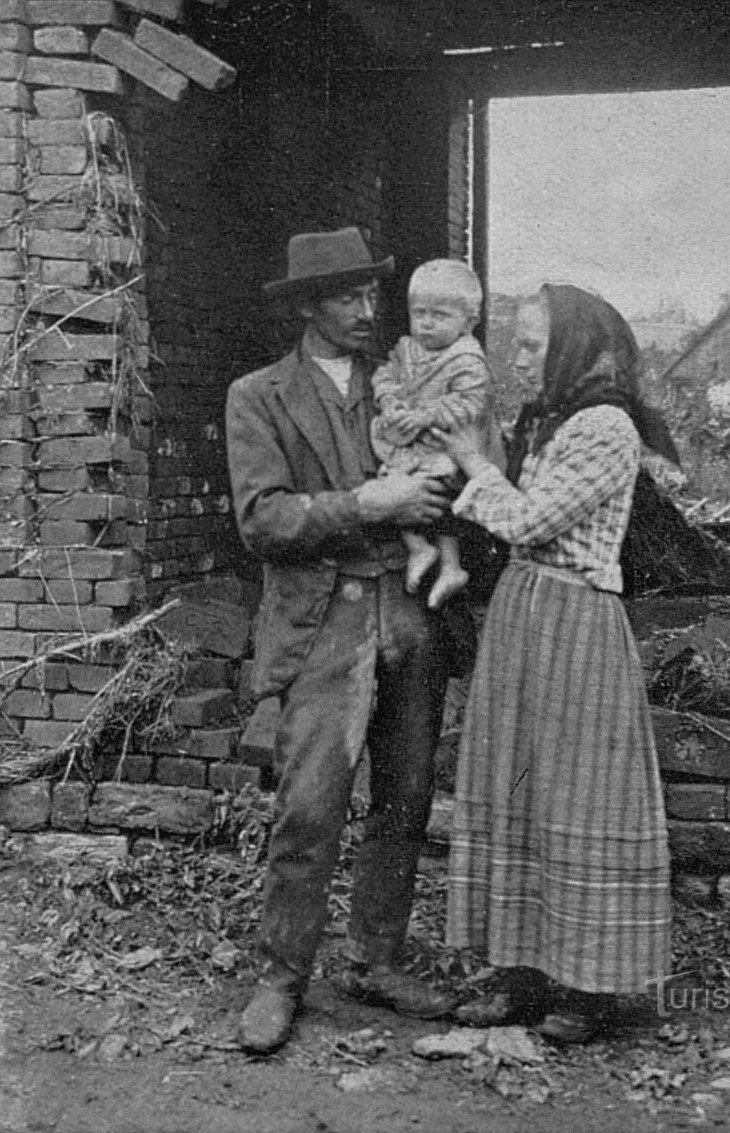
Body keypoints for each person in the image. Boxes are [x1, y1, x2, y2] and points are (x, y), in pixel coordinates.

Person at [225, 227, 456, 1055]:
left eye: (372, 294)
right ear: (306, 306)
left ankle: (374, 960)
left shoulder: (404, 382)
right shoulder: (258, 395)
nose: (369, 311)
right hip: (324, 622)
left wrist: (441, 493)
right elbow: (263, 519)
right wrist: (369, 503)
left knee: (406, 796)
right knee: (312, 803)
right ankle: (282, 975)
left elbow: (464, 460)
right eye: (349, 297)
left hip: (409, 608)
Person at [432, 284, 679, 1044]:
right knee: (520, 785)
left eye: (534, 343)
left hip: (575, 620)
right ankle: (521, 973)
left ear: (573, 347)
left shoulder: (605, 427)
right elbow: (516, 527)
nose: (519, 355)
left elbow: (531, 521)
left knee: (578, 796)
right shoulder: (551, 422)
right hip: (524, 614)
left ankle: (589, 986)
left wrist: (474, 463)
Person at [370, 258, 504, 610]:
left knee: (441, 492)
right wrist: (390, 401)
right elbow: (385, 375)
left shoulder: (467, 360)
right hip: (413, 444)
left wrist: (428, 415)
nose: (426, 324)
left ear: (468, 322)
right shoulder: (407, 350)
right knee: (393, 483)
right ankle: (419, 548)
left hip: (451, 444)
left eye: (439, 315)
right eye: (419, 313)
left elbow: (471, 403)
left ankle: (450, 565)